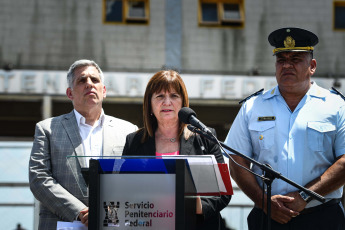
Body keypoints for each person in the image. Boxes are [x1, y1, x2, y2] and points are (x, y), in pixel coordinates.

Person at [224, 27, 345, 230]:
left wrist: (304, 196)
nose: (287, 65)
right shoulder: (253, 106)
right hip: (267, 217)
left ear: (312, 66)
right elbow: (237, 161)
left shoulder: (336, 106)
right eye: (281, 59)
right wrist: (264, 202)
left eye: (296, 59)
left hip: (322, 218)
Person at [29, 59, 138, 229]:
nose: (89, 84)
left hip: (113, 223)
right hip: (62, 222)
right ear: (69, 93)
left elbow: (135, 179)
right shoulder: (47, 129)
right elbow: (39, 178)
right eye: (82, 80)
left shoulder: (128, 131)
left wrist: (109, 213)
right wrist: (80, 211)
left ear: (104, 90)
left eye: (94, 80)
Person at [122, 70, 231, 229]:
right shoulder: (134, 142)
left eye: (174, 96)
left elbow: (223, 193)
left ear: (183, 102)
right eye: (160, 96)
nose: (167, 102)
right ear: (150, 104)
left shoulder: (206, 137)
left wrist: (197, 205)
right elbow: (123, 188)